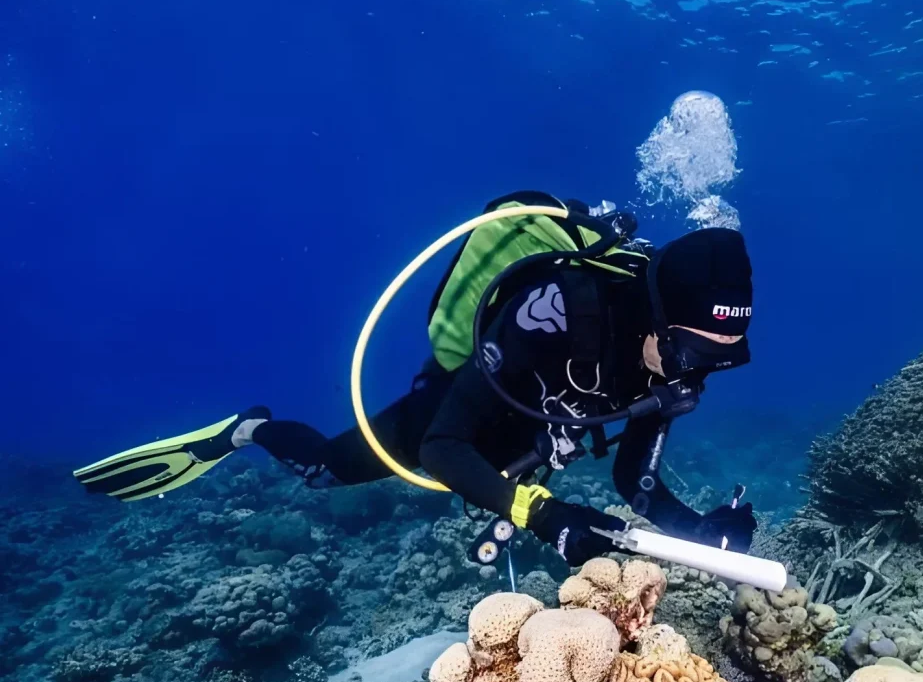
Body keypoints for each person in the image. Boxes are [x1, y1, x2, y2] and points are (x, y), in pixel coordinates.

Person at [74, 193, 758, 566]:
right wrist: (541, 515)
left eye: (723, 359)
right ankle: (246, 429)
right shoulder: (558, 310)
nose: (696, 378)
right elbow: (443, 448)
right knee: (321, 473)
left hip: (537, 434)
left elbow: (632, 478)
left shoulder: (678, 356)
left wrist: (698, 528)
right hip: (467, 409)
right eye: (693, 353)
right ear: (657, 315)